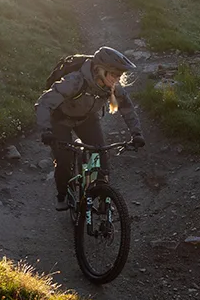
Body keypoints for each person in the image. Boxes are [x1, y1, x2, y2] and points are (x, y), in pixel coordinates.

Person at [35, 46, 145, 211]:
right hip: (61, 120)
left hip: (87, 120)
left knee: (101, 155)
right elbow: (44, 103)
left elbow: (128, 110)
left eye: (119, 75)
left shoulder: (113, 88)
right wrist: (46, 130)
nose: (117, 79)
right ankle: (62, 194)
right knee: (64, 160)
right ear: (101, 70)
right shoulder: (75, 81)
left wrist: (136, 133)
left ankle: (102, 196)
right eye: (114, 74)